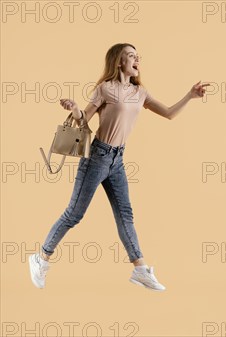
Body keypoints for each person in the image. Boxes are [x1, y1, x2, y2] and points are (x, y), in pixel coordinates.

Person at [29, 43, 210, 291]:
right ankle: (41, 258)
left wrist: (190, 96)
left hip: (117, 160)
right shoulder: (105, 89)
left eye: (138, 56)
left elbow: (168, 113)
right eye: (131, 56)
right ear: (119, 62)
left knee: (125, 215)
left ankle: (140, 270)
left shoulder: (140, 92)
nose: (137, 60)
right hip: (97, 157)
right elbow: (86, 117)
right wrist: (75, 110)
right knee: (74, 214)